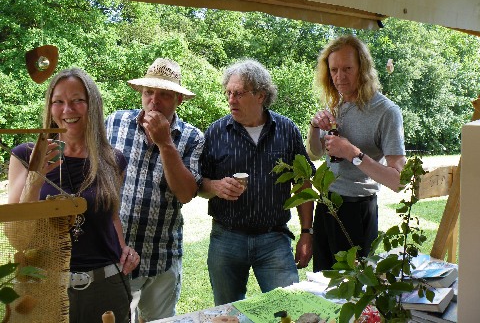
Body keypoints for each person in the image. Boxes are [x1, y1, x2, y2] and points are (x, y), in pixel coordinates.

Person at [8, 67, 139, 322]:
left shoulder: (113, 160)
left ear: (93, 104)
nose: (67, 110)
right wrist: (36, 179)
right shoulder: (25, 155)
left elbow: (112, 217)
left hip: (106, 284)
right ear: (50, 106)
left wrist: (125, 249)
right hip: (42, 288)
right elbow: (16, 236)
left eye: (78, 100)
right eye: (59, 101)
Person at [199, 58, 314, 306]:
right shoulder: (216, 132)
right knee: (227, 312)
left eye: (238, 93)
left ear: (261, 96)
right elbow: (200, 183)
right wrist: (215, 186)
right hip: (226, 238)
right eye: (228, 92)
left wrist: (307, 232)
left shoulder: (286, 129)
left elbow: (303, 183)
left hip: (274, 239)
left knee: (289, 308)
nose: (231, 99)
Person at [105, 58, 204, 322]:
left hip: (163, 254)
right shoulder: (115, 122)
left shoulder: (192, 137)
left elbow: (185, 194)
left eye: (165, 95)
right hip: (116, 251)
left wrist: (165, 143)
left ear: (178, 100)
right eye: (149, 92)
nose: (154, 101)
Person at [307, 35, 406, 271]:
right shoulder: (336, 106)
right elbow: (314, 154)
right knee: (323, 286)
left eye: (347, 69)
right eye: (334, 70)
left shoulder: (387, 112)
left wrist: (354, 154)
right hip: (326, 206)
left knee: (353, 290)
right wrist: (313, 127)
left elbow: (398, 180)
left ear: (363, 68)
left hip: (358, 210)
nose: (339, 77)